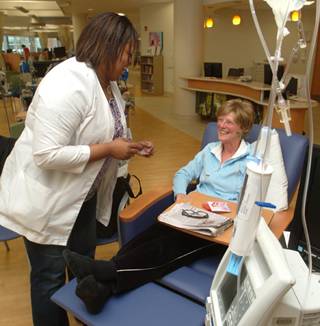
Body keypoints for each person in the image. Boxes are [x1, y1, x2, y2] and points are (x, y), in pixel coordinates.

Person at [0, 13, 154, 326]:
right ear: (110, 47)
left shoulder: (107, 83)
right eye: (127, 55)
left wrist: (128, 146)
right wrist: (111, 149)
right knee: (49, 278)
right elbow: (46, 154)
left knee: (83, 267)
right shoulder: (67, 83)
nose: (129, 63)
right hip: (46, 201)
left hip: (82, 199)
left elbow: (106, 130)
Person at [63, 99, 256, 314]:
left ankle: (100, 270)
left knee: (166, 250)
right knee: (148, 237)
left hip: (216, 229)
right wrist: (181, 195)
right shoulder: (210, 150)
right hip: (190, 212)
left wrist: (228, 208)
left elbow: (252, 200)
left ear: (243, 128)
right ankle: (101, 291)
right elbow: (183, 174)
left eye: (229, 122)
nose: (221, 125)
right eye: (220, 120)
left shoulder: (250, 162)